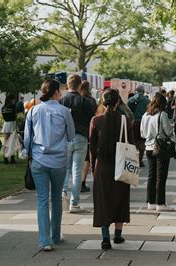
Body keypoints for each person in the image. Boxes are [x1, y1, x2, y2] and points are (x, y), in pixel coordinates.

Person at [24, 79, 75, 251]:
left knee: (42, 200)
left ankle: (44, 240)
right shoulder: (64, 111)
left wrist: (29, 152)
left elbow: (27, 138)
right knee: (56, 199)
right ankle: (55, 235)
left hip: (39, 160)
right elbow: (70, 135)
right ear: (55, 92)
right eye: (60, 91)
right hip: (59, 160)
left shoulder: (33, 111)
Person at [90, 89, 134, 250]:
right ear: (117, 103)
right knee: (120, 199)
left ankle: (105, 237)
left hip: (102, 167)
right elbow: (131, 144)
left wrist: (93, 166)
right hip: (121, 166)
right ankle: (117, 234)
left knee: (103, 201)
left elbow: (92, 147)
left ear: (103, 102)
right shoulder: (125, 121)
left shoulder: (96, 121)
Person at [60, 74, 95, 213]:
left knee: (65, 169)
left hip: (65, 138)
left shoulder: (61, 101)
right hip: (81, 137)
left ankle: (62, 194)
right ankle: (74, 203)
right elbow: (91, 119)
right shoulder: (84, 101)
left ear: (67, 85)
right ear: (80, 86)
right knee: (77, 171)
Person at [140, 93, 174, 212]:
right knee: (161, 176)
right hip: (160, 148)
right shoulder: (162, 114)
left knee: (151, 176)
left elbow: (142, 133)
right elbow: (168, 132)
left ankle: (151, 202)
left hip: (148, 148)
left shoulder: (145, 115)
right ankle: (160, 203)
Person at [127, 85, 150, 167]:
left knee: (132, 141)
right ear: (143, 91)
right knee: (142, 141)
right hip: (143, 122)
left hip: (132, 123)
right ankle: (140, 160)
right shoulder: (147, 101)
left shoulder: (130, 100)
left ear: (135, 91)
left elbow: (127, 113)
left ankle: (132, 161)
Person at [80, 81, 97, 193]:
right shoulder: (91, 101)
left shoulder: (78, 100)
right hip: (88, 131)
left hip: (75, 132)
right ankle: (82, 182)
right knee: (86, 159)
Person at [1, 93, 18, 164]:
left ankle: (5, 158)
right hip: (12, 124)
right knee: (12, 142)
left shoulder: (3, 108)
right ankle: (12, 158)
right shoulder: (13, 107)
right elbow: (15, 116)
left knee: (6, 142)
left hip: (6, 124)